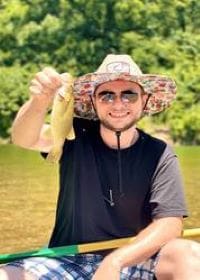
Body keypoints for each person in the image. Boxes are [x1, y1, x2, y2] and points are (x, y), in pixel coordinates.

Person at [0, 54, 200, 280]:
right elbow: (23, 138)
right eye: (106, 95)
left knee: (191, 255)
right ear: (93, 101)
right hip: (68, 259)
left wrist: (115, 261)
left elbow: (170, 224)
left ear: (144, 100)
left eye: (129, 94)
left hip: (134, 256)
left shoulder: (160, 153)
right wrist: (38, 102)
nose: (117, 103)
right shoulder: (72, 132)